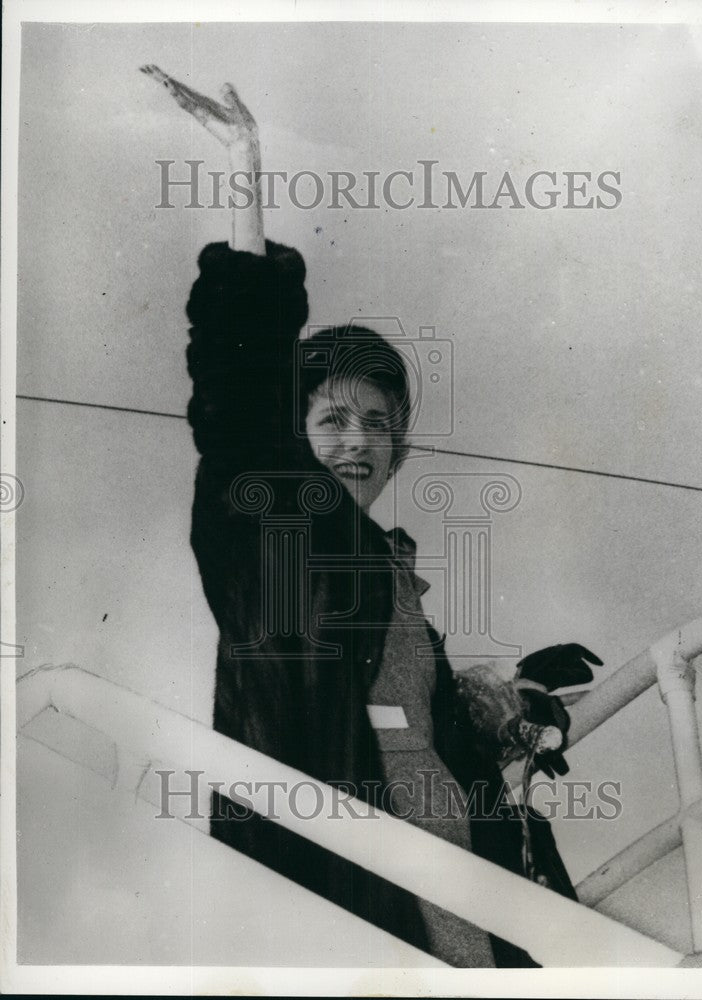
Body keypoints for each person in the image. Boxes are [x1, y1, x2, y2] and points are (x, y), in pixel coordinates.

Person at [141, 65, 602, 968]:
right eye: (332, 419)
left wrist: (502, 701)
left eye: (378, 425)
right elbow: (239, 399)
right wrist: (246, 167)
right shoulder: (266, 535)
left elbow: (405, 722)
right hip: (341, 894)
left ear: (402, 451)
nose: (358, 442)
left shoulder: (390, 570)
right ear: (295, 435)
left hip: (450, 883)